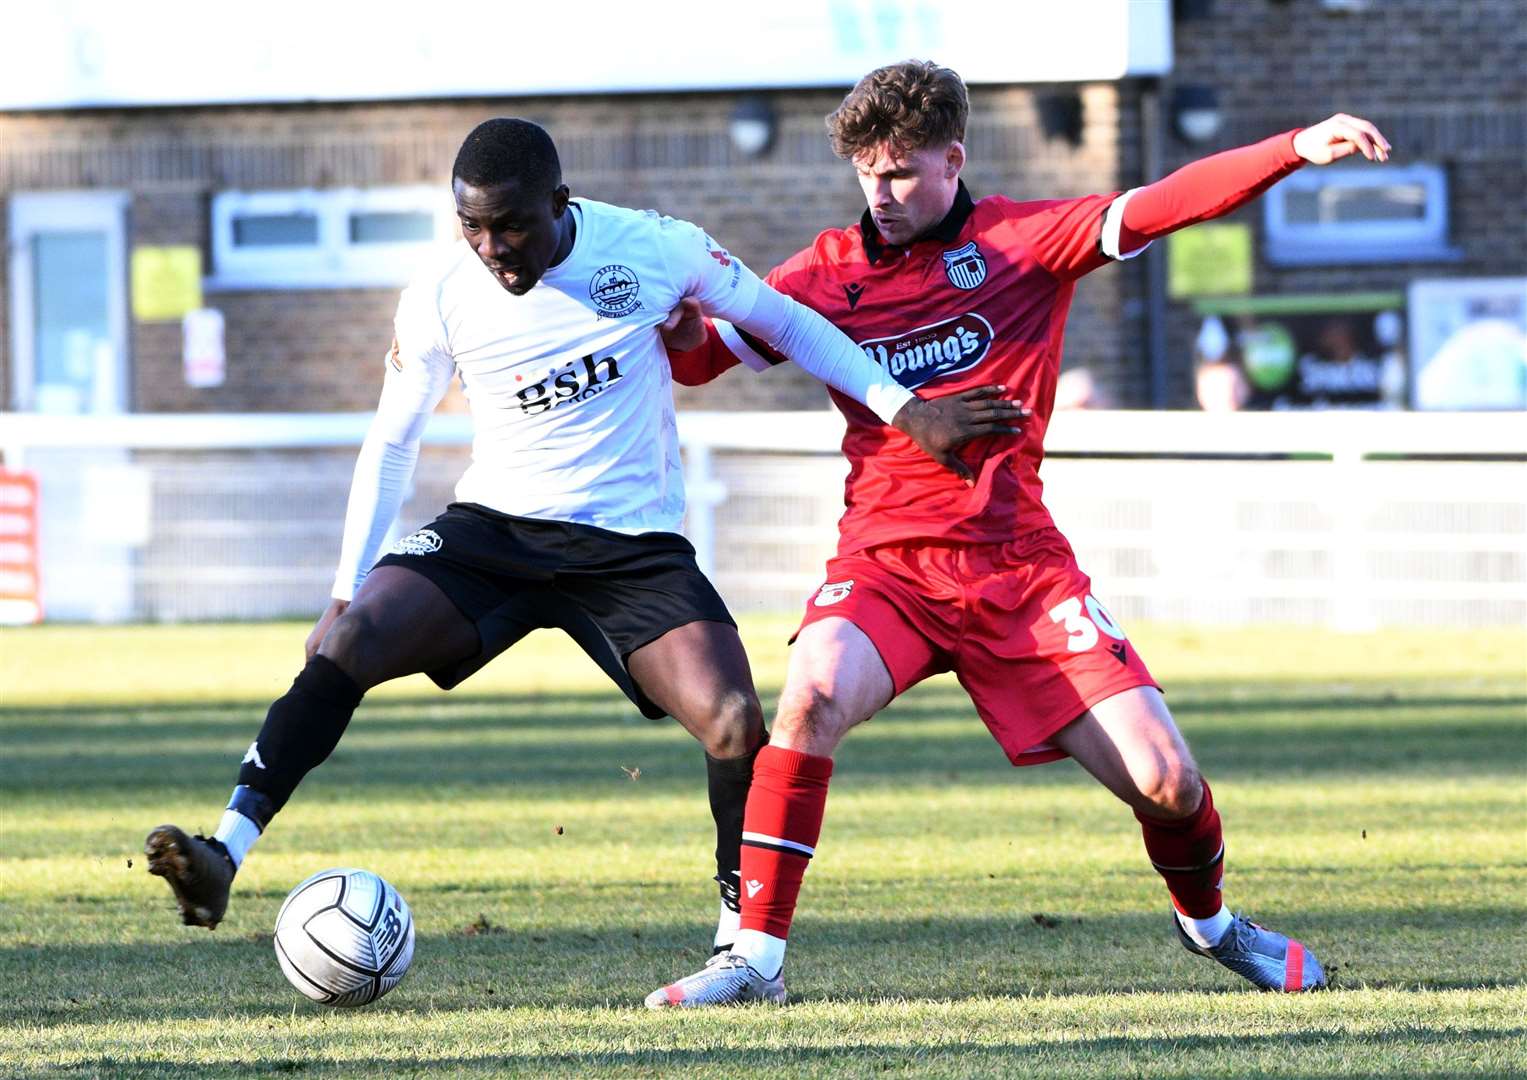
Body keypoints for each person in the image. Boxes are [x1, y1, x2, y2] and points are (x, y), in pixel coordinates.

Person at [143, 118, 1023, 957]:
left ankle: (740, 939)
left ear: (560, 202)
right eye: (472, 228)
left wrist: (908, 412)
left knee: (730, 719)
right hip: (494, 533)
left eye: (510, 228)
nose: (491, 249)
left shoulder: (655, 248)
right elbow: (392, 442)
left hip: (628, 548)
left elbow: (785, 323)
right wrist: (344, 585)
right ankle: (224, 853)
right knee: (349, 641)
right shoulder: (442, 294)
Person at [648, 61, 1391, 1006]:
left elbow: (1162, 205)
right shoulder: (823, 276)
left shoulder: (1023, 243)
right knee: (808, 701)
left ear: (952, 159)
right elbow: (707, 359)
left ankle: (1210, 926)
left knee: (1167, 782)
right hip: (887, 570)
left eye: (901, 172)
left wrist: (1292, 147)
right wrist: (676, 330)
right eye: (866, 173)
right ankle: (754, 959)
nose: (881, 192)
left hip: (1020, 571)